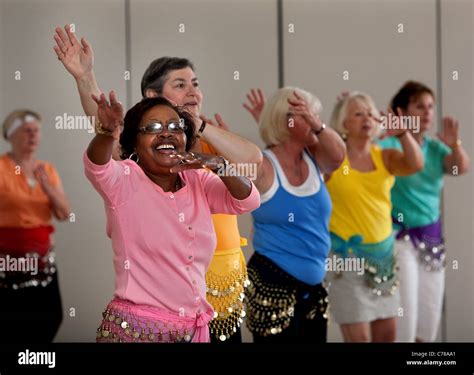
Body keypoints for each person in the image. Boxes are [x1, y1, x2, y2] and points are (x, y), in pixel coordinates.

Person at [53, 24, 262, 342]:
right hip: (144, 326)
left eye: (195, 83)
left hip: (212, 307)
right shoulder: (130, 170)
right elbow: (104, 147)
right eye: (181, 84)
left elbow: (252, 169)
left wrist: (204, 142)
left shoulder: (200, 167)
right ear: (152, 95)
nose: (193, 92)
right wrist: (85, 79)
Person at [86, 93, 259, 342]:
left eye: (175, 127)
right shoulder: (123, 180)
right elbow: (96, 165)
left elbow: (248, 200)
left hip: (195, 329)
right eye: (153, 128)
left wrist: (219, 164)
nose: (166, 133)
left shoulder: (198, 179)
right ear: (134, 142)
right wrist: (106, 132)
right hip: (139, 330)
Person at [242, 87, 345, 341]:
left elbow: (339, 155)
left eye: (315, 113)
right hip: (272, 283)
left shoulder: (315, 158)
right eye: (305, 113)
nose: (313, 117)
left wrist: (317, 125)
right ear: (284, 120)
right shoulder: (264, 165)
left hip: (313, 289)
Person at [325, 91, 424, 342]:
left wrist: (402, 133)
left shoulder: (385, 156)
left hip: (384, 260)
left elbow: (416, 164)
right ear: (344, 123)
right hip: (345, 260)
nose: (367, 118)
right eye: (358, 113)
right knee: (358, 340)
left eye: (370, 112)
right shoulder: (333, 157)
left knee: (387, 337)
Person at [379, 81, 469, 342]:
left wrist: (455, 145)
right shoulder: (389, 146)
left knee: (428, 320)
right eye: (420, 106)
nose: (428, 112)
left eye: (431, 107)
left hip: (431, 240)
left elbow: (460, 167)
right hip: (399, 238)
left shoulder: (436, 148)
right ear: (402, 111)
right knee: (405, 317)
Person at [0, 110, 70, 342]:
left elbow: (64, 213)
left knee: (49, 317)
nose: (33, 135)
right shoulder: (1, 167)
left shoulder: (46, 170)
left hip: (42, 262)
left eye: (36, 131)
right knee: (11, 322)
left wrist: (48, 187)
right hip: (8, 264)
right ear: (11, 135)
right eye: (26, 131)